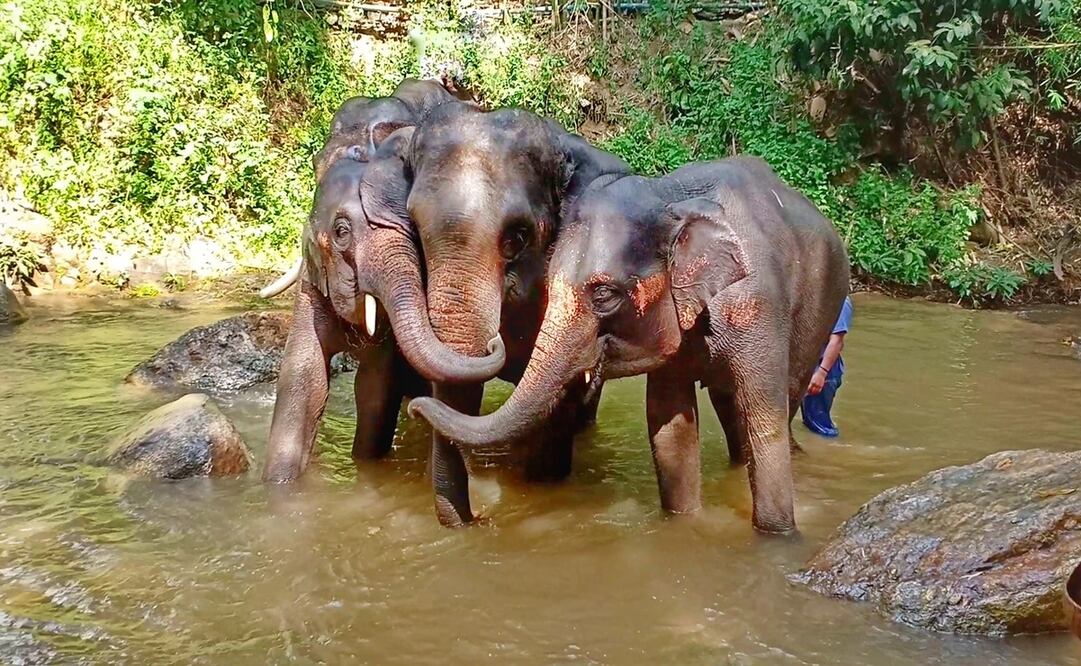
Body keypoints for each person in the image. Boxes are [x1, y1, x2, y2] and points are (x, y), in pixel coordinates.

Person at [801, 295, 853, 437]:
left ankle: (828, 452)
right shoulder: (813, 295)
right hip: (808, 367)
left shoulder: (840, 301)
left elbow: (836, 342)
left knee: (819, 425)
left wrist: (822, 373)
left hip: (824, 371)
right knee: (809, 421)